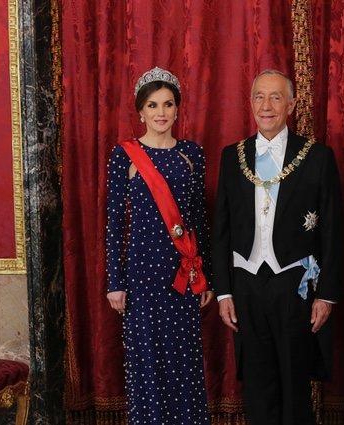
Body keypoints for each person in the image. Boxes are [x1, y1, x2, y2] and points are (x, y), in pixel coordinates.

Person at [212, 69, 342, 425]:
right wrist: (223, 291)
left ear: (291, 104)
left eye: (275, 97)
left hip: (293, 284)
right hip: (247, 284)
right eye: (259, 97)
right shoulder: (231, 156)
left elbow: (332, 230)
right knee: (257, 383)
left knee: (294, 382)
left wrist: (326, 295)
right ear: (250, 103)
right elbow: (221, 230)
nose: (266, 106)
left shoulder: (316, 157)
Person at [105, 67, 214, 425]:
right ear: (140, 111)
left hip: (181, 274)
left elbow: (199, 219)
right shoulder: (125, 155)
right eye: (153, 105)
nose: (161, 112)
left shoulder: (192, 154)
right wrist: (114, 282)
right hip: (140, 275)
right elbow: (114, 224)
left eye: (168, 104)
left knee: (182, 360)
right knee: (147, 361)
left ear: (178, 109)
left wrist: (206, 276)